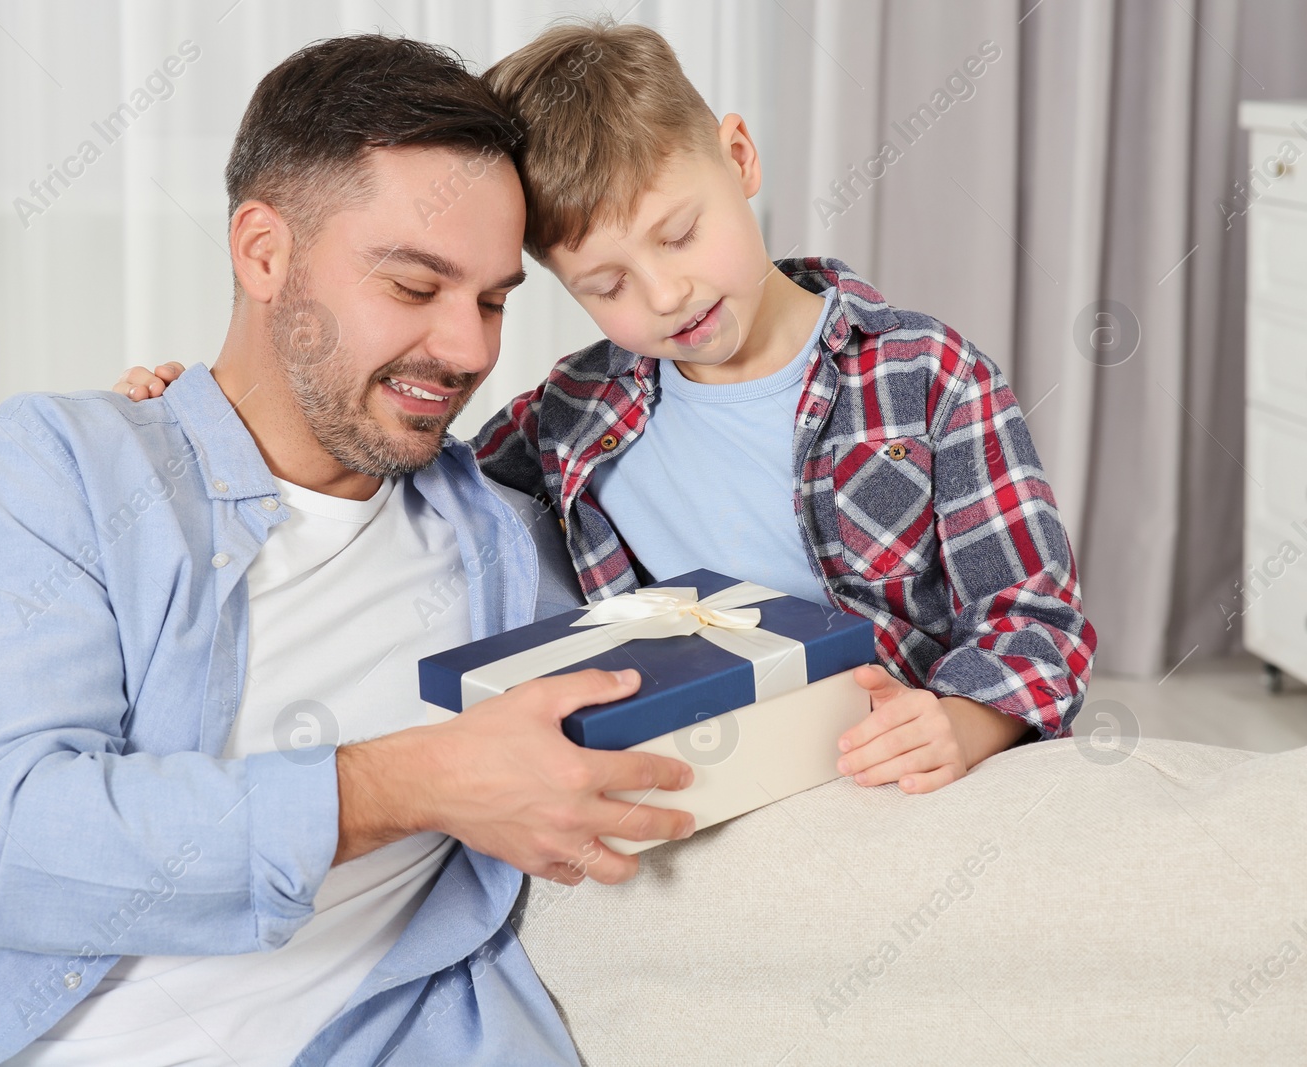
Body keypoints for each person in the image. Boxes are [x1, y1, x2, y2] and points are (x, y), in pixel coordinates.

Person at [0, 35, 699, 1067]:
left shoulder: (510, 544)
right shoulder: (54, 473)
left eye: (494, 299)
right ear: (263, 252)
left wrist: (941, 693)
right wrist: (410, 783)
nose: (469, 349)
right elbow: (6, 847)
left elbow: (751, 600)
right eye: (414, 287)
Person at [121, 18, 1097, 799]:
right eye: (605, 284)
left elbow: (1035, 617)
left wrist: (969, 722)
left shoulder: (924, 376)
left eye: (679, 234)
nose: (665, 296)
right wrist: (210, 412)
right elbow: (408, 467)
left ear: (740, 157)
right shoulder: (579, 406)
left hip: (894, 764)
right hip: (707, 773)